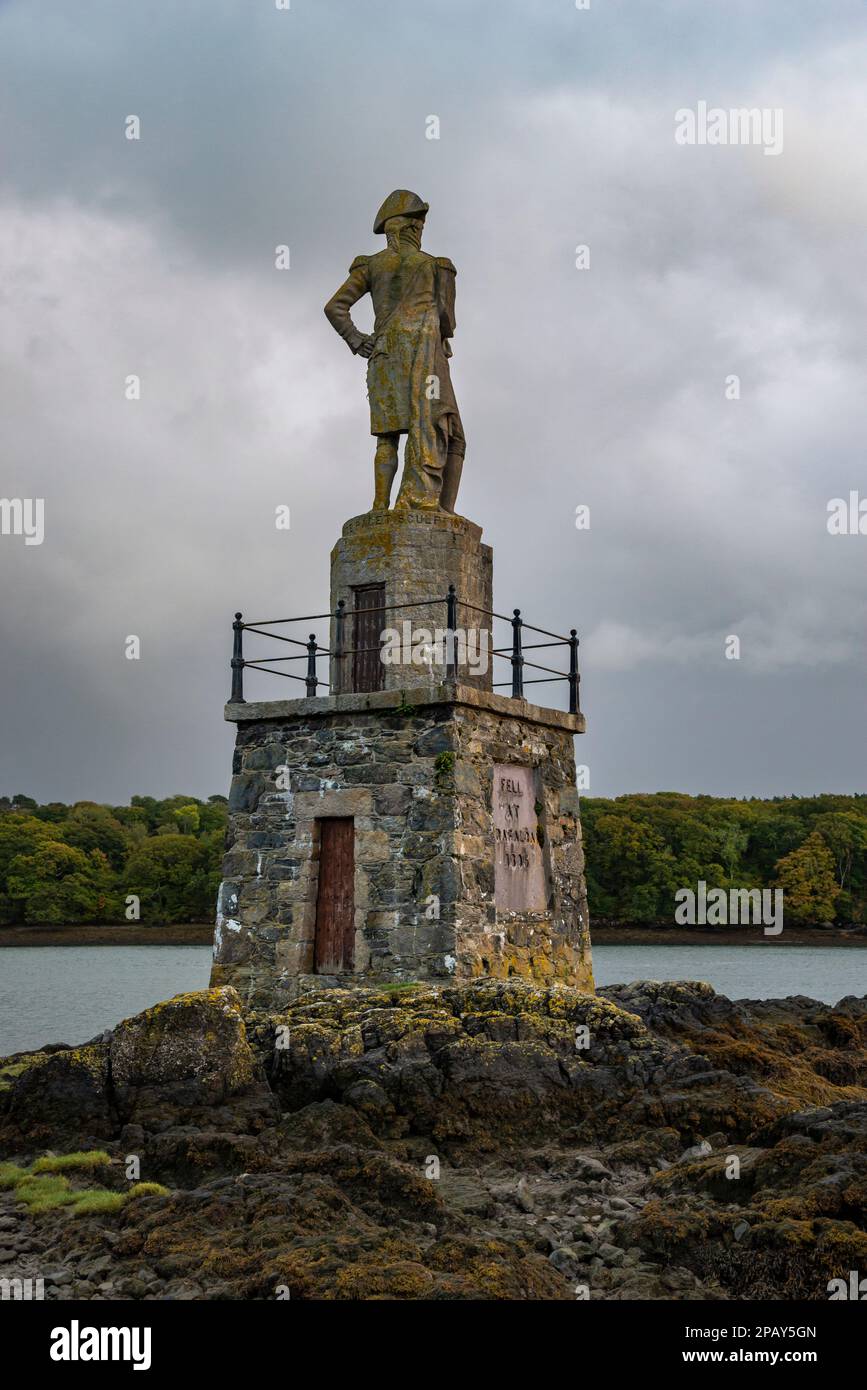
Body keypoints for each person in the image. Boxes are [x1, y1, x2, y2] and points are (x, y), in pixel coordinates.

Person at [324, 189, 466, 513]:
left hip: (386, 355)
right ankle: (440, 509)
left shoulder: (371, 266)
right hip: (426, 362)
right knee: (450, 433)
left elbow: (335, 307)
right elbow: (448, 323)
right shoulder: (438, 267)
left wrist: (357, 339)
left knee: (387, 437)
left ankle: (379, 506)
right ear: (414, 228)